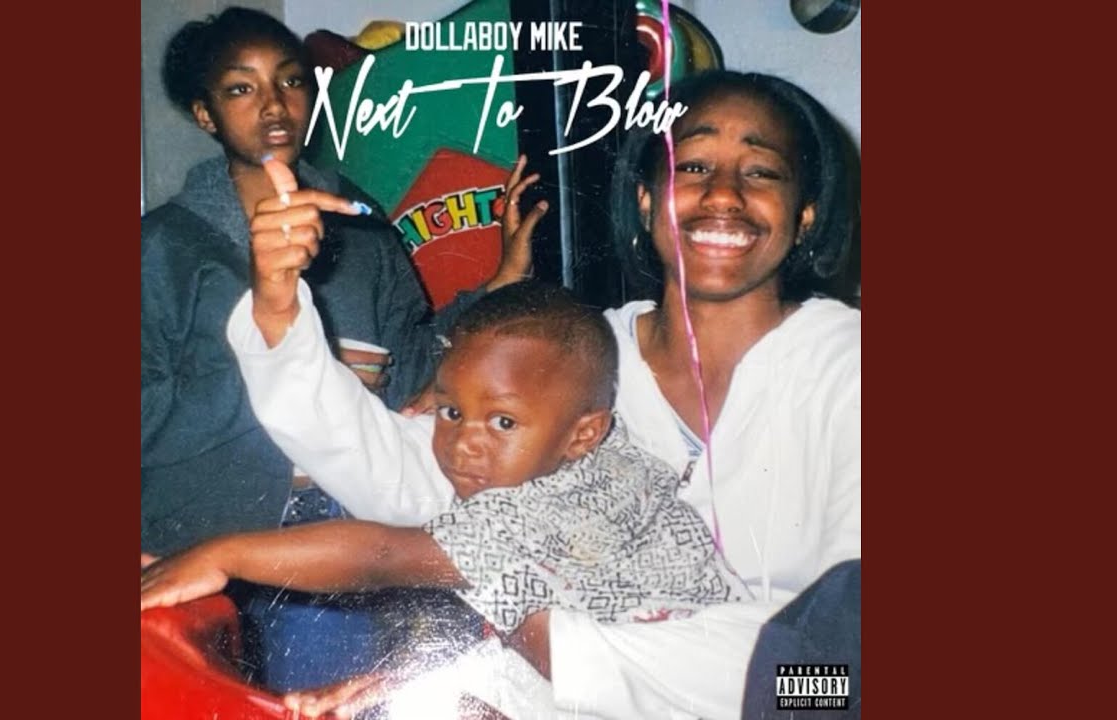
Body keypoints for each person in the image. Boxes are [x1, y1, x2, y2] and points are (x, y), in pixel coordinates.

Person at [228, 68, 859, 719]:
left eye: (761, 172)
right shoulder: (573, 359)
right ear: (646, 200)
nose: (723, 194)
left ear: (806, 214)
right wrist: (278, 305)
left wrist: (551, 650)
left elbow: (841, 668)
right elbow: (405, 474)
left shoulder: (851, 368)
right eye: (693, 166)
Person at [140, 6, 545, 692]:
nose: (274, 104)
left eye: (291, 81)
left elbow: (413, 366)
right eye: (241, 88)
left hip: (339, 530)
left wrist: (500, 284)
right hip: (203, 531)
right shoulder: (162, 246)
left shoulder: (358, 226)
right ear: (205, 114)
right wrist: (283, 364)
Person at [144, 280, 749, 717]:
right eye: (452, 412)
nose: (464, 443)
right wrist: (389, 686)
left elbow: (384, 555)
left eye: (503, 423)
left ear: (583, 433)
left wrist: (220, 555)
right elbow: (523, 629)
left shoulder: (572, 499)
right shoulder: (591, 461)